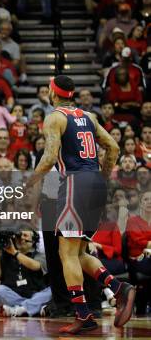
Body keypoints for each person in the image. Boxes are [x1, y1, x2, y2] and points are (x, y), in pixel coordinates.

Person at [27, 75, 135, 334]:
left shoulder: (54, 117)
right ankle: (119, 288)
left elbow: (49, 157)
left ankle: (83, 315)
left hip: (75, 184)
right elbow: (113, 148)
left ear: (53, 93)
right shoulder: (89, 117)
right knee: (78, 253)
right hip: (94, 183)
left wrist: (28, 183)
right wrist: (103, 177)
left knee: (66, 254)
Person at [0, 225, 51, 317]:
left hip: (36, 294)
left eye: (25, 235)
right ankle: (31, 308)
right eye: (19, 236)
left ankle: (19, 309)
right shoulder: (7, 256)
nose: (22, 238)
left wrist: (15, 253)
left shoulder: (40, 255)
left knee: (51, 291)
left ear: (34, 240)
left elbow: (36, 266)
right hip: (15, 295)